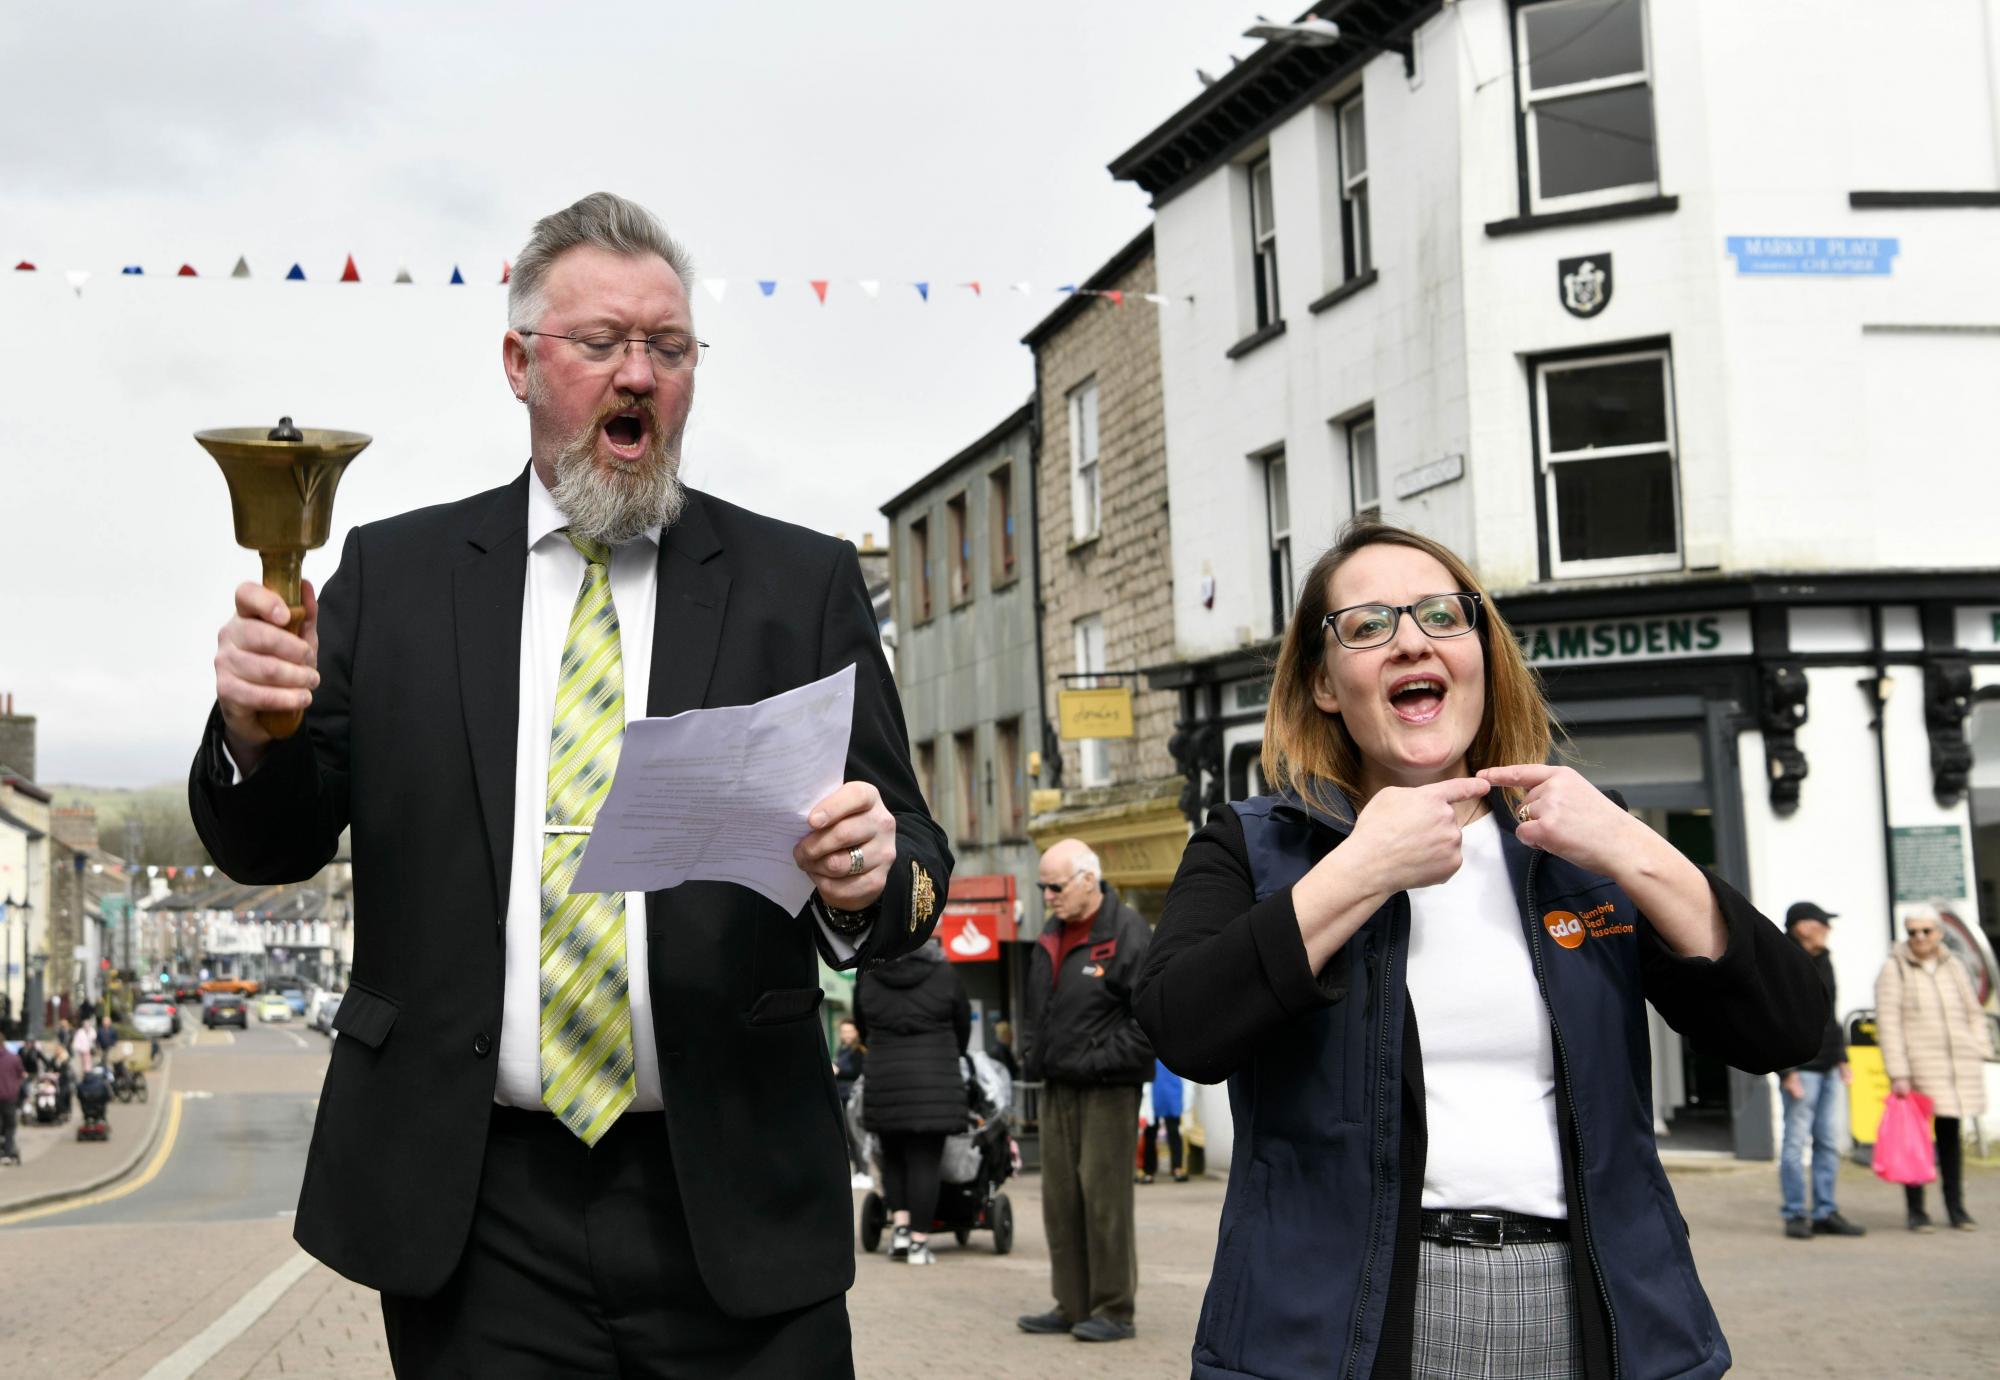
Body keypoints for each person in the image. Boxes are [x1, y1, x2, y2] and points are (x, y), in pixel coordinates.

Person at [189, 192, 950, 1378]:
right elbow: (271, 846)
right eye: (600, 344)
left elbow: (912, 864)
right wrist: (251, 730)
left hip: (736, 1197)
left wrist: (866, 877)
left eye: (668, 347)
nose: (636, 374)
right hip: (477, 1210)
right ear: (520, 361)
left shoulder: (793, 584)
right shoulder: (394, 578)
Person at [1135, 521, 1826, 1380]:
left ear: (1482, 654)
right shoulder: (1252, 846)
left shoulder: (1580, 845)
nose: (1411, 640)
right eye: (1368, 625)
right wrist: (1359, 871)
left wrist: (1636, 850)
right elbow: (1182, 1028)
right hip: (1338, 1328)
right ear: (1323, 683)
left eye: (1440, 615)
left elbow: (1787, 1028)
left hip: (1592, 1314)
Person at [1016, 839, 1154, 1344]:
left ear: (1087, 881)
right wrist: (1034, 1049)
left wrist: (1096, 1060)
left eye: (1055, 885)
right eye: (1043, 886)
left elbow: (1150, 1020)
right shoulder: (1051, 933)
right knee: (1060, 1200)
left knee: (1104, 1199)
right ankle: (1071, 1304)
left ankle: (1115, 1309)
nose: (1047, 895)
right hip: (1058, 1084)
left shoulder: (1127, 933)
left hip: (1108, 1089)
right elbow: (1038, 1008)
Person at [853, 937, 970, 1266]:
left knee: (892, 1157)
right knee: (925, 1162)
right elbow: (962, 1026)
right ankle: (920, 1242)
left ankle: (901, 1230)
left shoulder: (869, 974)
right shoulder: (945, 973)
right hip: (934, 1082)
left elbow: (862, 1027)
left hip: (885, 1079)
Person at [1875, 909, 1991, 1232]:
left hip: (1956, 1065)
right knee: (1915, 1139)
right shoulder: (1894, 969)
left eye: (1926, 931)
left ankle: (1956, 1208)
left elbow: (1973, 1011)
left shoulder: (1954, 967)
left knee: (1952, 1137)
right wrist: (1898, 1071)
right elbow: (1889, 1024)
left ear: (1938, 933)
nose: (1920, 938)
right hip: (1918, 1069)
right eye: (1912, 932)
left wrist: (1978, 1045)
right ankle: (1917, 1211)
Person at [1776, 900, 1864, 1239]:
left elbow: (1831, 1012)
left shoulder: (1825, 959)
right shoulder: (1783, 959)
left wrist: (1842, 1058)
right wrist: (1786, 1072)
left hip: (1828, 1066)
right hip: (1802, 1070)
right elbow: (1777, 1019)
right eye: (1822, 923)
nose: (1828, 929)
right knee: (1796, 1142)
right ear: (1802, 926)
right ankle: (1795, 1213)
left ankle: (1826, 1211)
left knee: (1827, 1140)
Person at [832, 1018, 870, 1188]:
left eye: (849, 1031)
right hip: (843, 1095)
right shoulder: (843, 1049)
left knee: (856, 1134)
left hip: (854, 1097)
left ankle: (865, 1172)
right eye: (844, 1031)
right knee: (849, 1135)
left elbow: (857, 1071)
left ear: (856, 1032)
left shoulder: (859, 1050)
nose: (846, 1035)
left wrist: (838, 1070)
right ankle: (858, 1172)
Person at [1137, 1057, 1185, 1184]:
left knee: (1174, 1132)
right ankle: (1149, 1171)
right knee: (1150, 1134)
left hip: (1172, 1093)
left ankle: (1177, 1168)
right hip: (1153, 1095)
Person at [0, 1027, 24, 1164]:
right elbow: (22, 1075)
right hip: (9, 1097)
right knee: (10, 1126)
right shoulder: (13, 1058)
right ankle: (7, 1154)